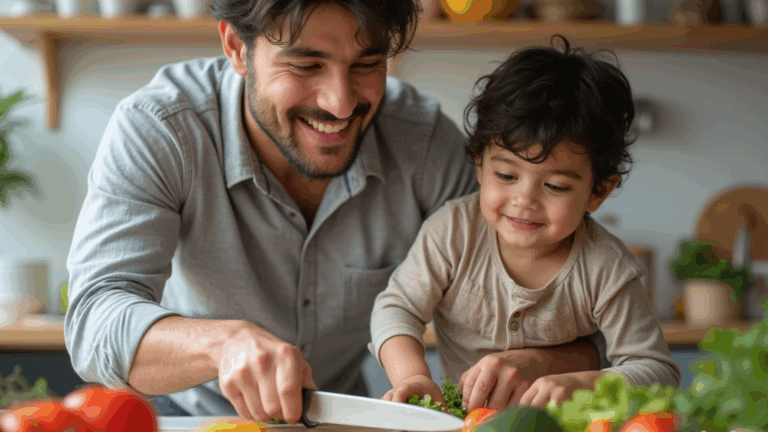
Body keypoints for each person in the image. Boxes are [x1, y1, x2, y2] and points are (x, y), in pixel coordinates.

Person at [64, 0, 606, 424]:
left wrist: (538, 362)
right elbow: (94, 321)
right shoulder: (162, 126)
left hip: (343, 421)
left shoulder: (425, 146)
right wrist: (222, 344)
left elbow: (570, 327)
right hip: (184, 420)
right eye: (306, 64)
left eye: (367, 65)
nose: (340, 103)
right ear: (236, 47)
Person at [370, 36, 682, 414]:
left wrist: (584, 383)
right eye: (506, 175)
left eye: (555, 186)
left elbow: (658, 371)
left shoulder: (608, 268)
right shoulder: (452, 231)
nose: (525, 200)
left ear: (598, 192)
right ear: (480, 166)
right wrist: (412, 378)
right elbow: (395, 308)